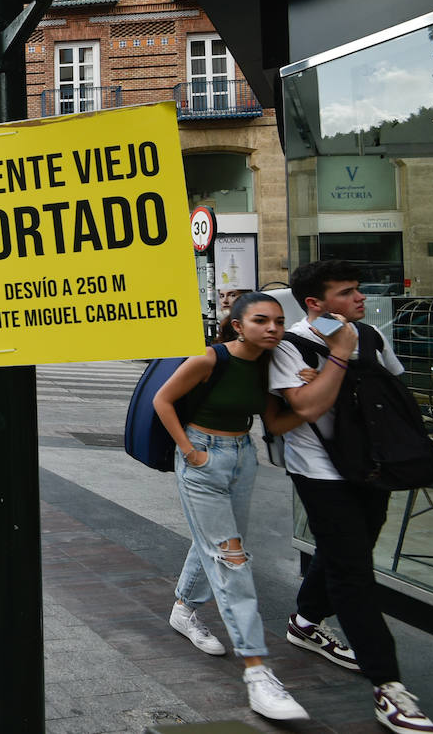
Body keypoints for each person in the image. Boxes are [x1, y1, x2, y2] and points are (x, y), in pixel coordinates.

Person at [269, 259, 433, 734]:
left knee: (350, 548)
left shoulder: (370, 336)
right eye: (346, 292)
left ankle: (304, 621)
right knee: (354, 574)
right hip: (320, 471)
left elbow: (392, 385)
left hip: (369, 466)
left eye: (358, 290)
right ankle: (388, 687)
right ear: (314, 304)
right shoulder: (290, 347)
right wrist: (338, 356)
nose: (360, 298)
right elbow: (304, 406)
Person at [153, 291, 311, 721]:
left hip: (243, 458)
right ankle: (257, 672)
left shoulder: (267, 367)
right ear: (238, 325)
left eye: (278, 321)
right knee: (232, 558)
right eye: (262, 320)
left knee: (219, 545)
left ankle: (184, 609)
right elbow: (162, 401)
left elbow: (275, 423)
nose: (273, 328)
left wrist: (316, 397)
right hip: (202, 458)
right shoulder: (210, 359)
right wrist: (190, 452)